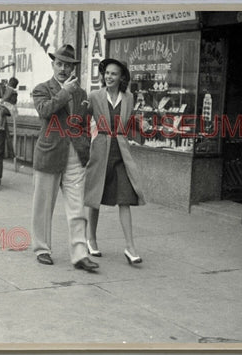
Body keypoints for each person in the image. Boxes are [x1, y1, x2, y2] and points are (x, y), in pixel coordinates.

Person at [31, 44, 97, 272]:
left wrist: (85, 146)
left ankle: (80, 255)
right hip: (49, 154)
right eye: (59, 64)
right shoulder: (41, 89)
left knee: (77, 207)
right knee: (43, 206)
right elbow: (44, 111)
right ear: (53, 65)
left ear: (73, 68)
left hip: (75, 155)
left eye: (67, 65)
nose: (63, 68)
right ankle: (42, 249)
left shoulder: (81, 94)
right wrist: (65, 92)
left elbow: (85, 123)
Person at [84, 58, 146, 265]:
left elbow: (130, 123)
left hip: (120, 152)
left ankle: (130, 247)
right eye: (107, 73)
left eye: (114, 74)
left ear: (122, 78)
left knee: (125, 198)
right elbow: (80, 121)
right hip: (100, 150)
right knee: (95, 197)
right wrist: (85, 144)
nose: (109, 77)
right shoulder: (94, 96)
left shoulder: (128, 98)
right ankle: (91, 239)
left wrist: (143, 127)